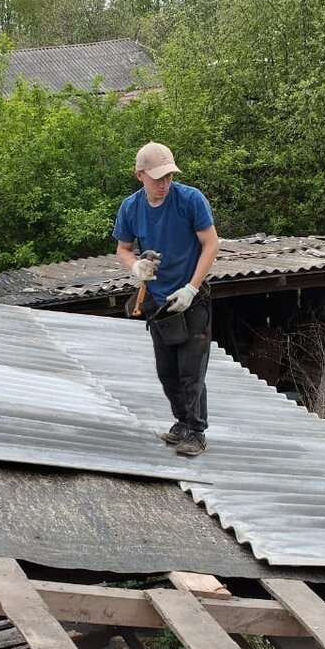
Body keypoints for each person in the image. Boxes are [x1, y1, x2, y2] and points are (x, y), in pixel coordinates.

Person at [113, 142, 219, 456]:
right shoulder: (131, 208)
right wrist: (135, 266)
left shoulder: (190, 200)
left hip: (191, 299)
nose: (164, 183)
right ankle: (182, 423)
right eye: (157, 177)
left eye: (169, 176)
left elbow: (211, 244)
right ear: (140, 175)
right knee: (168, 371)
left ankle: (196, 431)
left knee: (191, 370)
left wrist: (191, 288)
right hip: (159, 302)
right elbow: (122, 249)